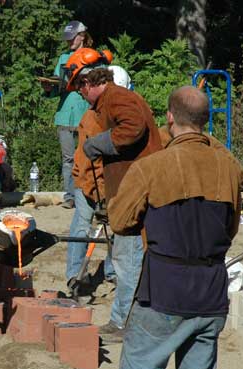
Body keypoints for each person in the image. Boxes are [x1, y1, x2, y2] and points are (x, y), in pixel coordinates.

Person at [78, 86, 243, 369]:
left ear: (170, 118)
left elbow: (119, 221)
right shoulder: (229, 165)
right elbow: (232, 227)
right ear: (206, 120)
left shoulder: (153, 166)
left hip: (165, 289)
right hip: (210, 290)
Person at [68, 51, 163, 343]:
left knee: (128, 259)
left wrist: (101, 142)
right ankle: (123, 319)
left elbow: (133, 126)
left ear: (88, 82)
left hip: (135, 192)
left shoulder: (118, 97)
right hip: (128, 191)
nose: (80, 95)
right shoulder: (109, 101)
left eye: (79, 87)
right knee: (126, 257)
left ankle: (125, 323)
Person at [65, 64, 137, 292]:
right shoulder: (92, 118)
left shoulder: (120, 114)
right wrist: (99, 195)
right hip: (89, 181)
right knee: (81, 228)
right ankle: (75, 275)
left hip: (112, 184)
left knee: (116, 229)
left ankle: (112, 271)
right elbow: (90, 161)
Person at [41, 21, 93, 209]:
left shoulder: (92, 57)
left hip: (85, 116)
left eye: (72, 37)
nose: (69, 41)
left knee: (88, 156)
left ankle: (88, 195)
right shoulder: (63, 58)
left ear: (82, 36)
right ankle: (70, 197)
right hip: (64, 115)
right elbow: (57, 87)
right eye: (68, 38)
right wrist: (49, 88)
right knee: (68, 159)